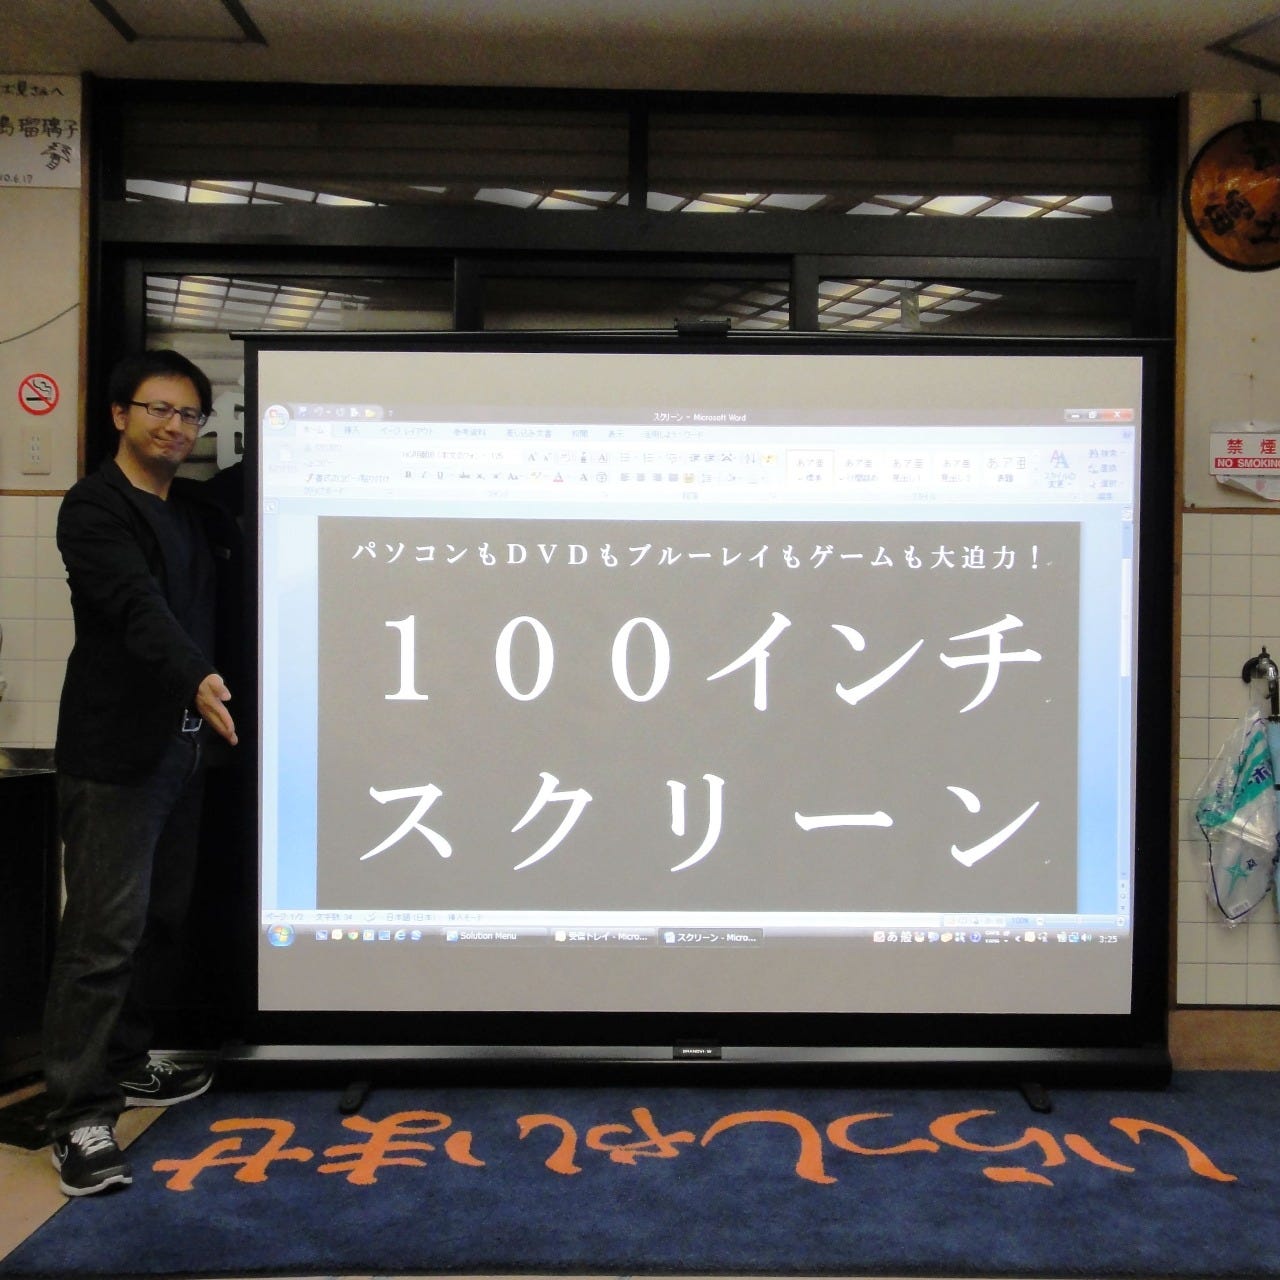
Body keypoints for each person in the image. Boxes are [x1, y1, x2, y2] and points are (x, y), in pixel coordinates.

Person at [42, 349, 243, 1197]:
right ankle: (78, 1115)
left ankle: (126, 1065)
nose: (174, 426)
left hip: (185, 748)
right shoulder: (94, 508)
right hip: (116, 755)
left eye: (189, 415)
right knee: (102, 937)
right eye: (158, 408)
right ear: (120, 414)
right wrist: (194, 674)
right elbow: (135, 606)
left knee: (160, 921)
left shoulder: (192, 510)